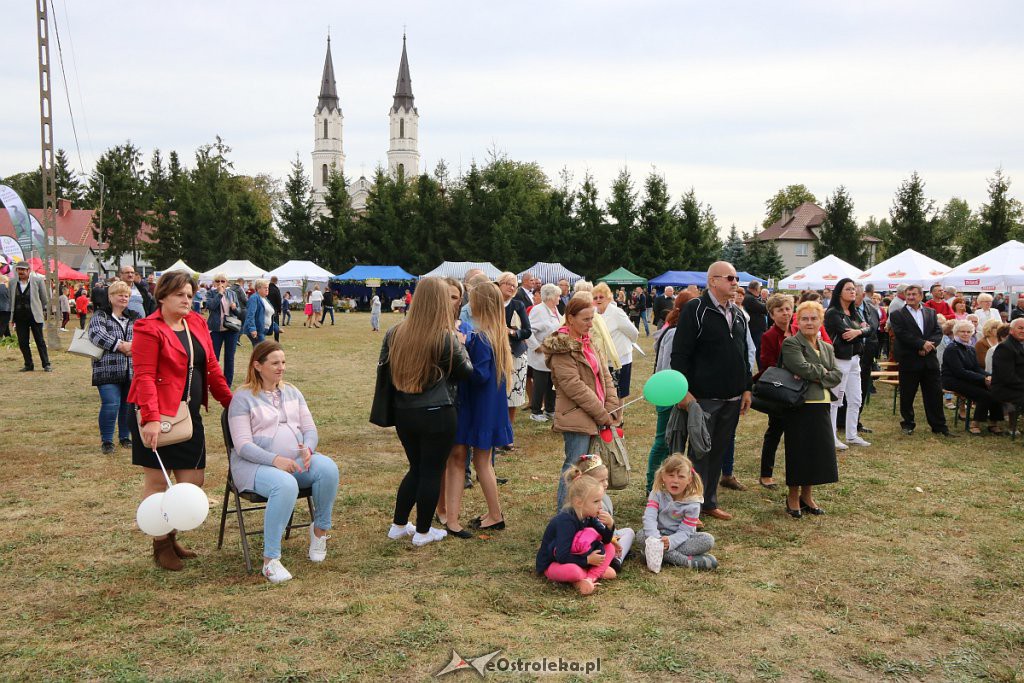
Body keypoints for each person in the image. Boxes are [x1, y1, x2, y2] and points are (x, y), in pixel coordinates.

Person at [127, 270, 233, 570]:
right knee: (158, 482)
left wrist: (231, 403)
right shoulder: (147, 328)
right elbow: (145, 376)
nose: (187, 300)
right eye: (180, 295)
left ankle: (171, 534)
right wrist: (149, 419)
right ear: (162, 296)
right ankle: (161, 545)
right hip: (156, 417)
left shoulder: (196, 323)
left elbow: (211, 367)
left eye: (190, 294)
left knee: (192, 481)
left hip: (189, 416)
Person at [227, 341, 340, 583]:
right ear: (257, 366)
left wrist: (308, 448)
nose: (281, 368)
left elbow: (310, 428)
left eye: (284, 362)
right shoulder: (242, 397)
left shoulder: (293, 392)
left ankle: (319, 531)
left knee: (328, 469)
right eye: (275, 363)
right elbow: (243, 445)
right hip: (255, 466)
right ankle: (270, 560)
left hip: (296, 461)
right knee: (285, 485)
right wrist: (275, 460)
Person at [380, 277, 473, 547]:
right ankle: (422, 531)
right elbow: (466, 372)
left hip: (404, 412)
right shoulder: (444, 336)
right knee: (431, 471)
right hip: (436, 411)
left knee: (417, 468)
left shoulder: (395, 332)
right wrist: (461, 345)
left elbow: (385, 368)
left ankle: (399, 524)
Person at [670, 261, 752, 521]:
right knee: (699, 453)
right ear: (713, 281)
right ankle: (689, 507)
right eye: (730, 278)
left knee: (718, 451)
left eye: (736, 277)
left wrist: (746, 389)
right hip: (703, 397)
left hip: (732, 397)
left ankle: (708, 502)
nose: (735, 282)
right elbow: (680, 354)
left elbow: (743, 354)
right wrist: (683, 391)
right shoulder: (696, 309)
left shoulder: (737, 313)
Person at [445, 282, 513, 537]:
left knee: (482, 462)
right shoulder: (494, 333)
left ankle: (495, 515)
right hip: (488, 405)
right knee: (485, 462)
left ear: (478, 303)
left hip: (480, 405)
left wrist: (461, 356)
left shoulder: (482, 337)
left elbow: (480, 375)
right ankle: (493, 512)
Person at [544, 296, 621, 511]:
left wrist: (612, 405)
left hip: (595, 413)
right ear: (570, 318)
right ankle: (565, 516)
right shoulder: (561, 347)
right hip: (576, 415)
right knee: (574, 468)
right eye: (586, 319)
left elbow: (605, 375)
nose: (590, 323)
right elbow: (573, 386)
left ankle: (584, 513)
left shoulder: (588, 343)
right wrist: (601, 413)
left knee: (589, 469)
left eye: (592, 318)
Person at [779, 301, 843, 518]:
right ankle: (793, 497)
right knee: (799, 453)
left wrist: (817, 373)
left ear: (820, 321)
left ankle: (808, 495)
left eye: (813, 318)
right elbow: (800, 367)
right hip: (800, 404)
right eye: (804, 318)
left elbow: (837, 375)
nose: (809, 322)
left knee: (817, 453)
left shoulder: (827, 346)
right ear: (797, 321)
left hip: (822, 404)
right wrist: (822, 371)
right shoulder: (791, 343)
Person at [646, 290, 695, 491]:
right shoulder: (675, 332)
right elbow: (668, 368)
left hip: (672, 393)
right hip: (669, 394)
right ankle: (651, 487)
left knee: (668, 442)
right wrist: (677, 394)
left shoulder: (677, 329)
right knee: (663, 442)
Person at [535, 475, 617, 595]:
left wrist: (610, 526)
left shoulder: (589, 516)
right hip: (554, 563)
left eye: (601, 500)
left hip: (579, 557)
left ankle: (589, 578)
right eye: (596, 501)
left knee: (610, 547)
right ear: (579, 502)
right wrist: (587, 560)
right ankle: (587, 575)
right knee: (574, 572)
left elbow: (605, 540)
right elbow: (561, 556)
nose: (600, 506)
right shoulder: (566, 521)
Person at [889, 284, 953, 437]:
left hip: (929, 360)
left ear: (921, 296)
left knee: (934, 393)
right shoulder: (898, 314)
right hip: (909, 359)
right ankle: (908, 423)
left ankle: (939, 425)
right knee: (907, 394)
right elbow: (902, 334)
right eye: (908, 294)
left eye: (914, 294)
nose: (911, 297)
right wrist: (920, 344)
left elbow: (938, 332)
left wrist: (929, 345)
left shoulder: (931, 312)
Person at [638, 453, 718, 572]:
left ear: (689, 480)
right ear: (663, 476)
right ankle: (687, 561)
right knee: (640, 536)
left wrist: (670, 542)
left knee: (708, 540)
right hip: (658, 535)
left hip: (681, 539)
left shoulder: (693, 503)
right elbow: (649, 517)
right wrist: (655, 539)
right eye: (671, 475)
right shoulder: (656, 493)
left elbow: (686, 531)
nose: (675, 480)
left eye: (681, 477)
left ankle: (653, 554)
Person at [88, 280, 140, 454]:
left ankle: (125, 437)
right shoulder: (100, 315)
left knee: (128, 405)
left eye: (126, 295)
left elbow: (144, 336)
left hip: (131, 369)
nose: (124, 298)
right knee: (111, 404)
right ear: (110, 297)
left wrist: (134, 347)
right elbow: (96, 335)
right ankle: (107, 440)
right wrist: (120, 345)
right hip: (106, 369)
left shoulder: (134, 316)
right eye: (120, 295)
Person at [562, 454, 635, 573]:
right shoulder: (587, 502)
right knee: (614, 543)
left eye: (606, 479)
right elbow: (593, 531)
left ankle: (615, 558)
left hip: (606, 536)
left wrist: (611, 527)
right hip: (591, 543)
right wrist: (612, 539)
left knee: (629, 532)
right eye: (601, 481)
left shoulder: (602, 497)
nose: (606, 483)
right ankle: (614, 560)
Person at [823, 278, 871, 449]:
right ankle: (831, 436)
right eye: (848, 289)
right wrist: (861, 330)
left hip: (855, 359)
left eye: (853, 289)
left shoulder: (855, 312)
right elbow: (845, 335)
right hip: (839, 359)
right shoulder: (833, 313)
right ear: (839, 292)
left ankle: (852, 434)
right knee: (836, 399)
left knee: (856, 398)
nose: (853, 292)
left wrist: (859, 331)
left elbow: (869, 328)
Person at [756, 293, 794, 490]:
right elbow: (767, 363)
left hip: (798, 390)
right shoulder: (769, 336)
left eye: (788, 308)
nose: (785, 313)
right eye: (780, 310)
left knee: (796, 434)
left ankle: (795, 473)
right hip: (779, 389)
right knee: (775, 431)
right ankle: (766, 474)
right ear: (772, 314)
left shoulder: (797, 331)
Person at [942, 320, 1003, 435]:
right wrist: (982, 379)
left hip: (968, 377)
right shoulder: (952, 348)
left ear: (972, 333)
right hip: (952, 380)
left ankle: (993, 422)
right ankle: (975, 424)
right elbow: (959, 371)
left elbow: (976, 368)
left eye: (968, 331)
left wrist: (989, 376)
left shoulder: (970, 348)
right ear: (956, 332)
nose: (965, 334)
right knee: (984, 394)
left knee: (996, 390)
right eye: (962, 331)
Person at [497, 272, 532, 439]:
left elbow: (527, 331)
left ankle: (508, 436)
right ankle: (496, 433)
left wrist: (511, 332)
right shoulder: (491, 303)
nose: (511, 287)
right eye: (508, 283)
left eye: (514, 285)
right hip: (495, 354)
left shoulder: (518, 305)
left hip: (516, 355)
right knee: (496, 396)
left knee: (512, 398)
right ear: (499, 284)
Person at [593, 282, 639, 398]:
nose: (598, 300)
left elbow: (633, 333)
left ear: (608, 298)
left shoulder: (616, 312)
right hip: (603, 360)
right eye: (595, 297)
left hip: (620, 358)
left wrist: (627, 344)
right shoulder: (594, 314)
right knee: (606, 392)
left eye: (601, 297)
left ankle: (619, 417)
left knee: (618, 393)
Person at [526, 284, 563, 422]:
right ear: (551, 296)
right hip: (540, 355)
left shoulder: (554, 309)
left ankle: (550, 409)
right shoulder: (538, 310)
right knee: (540, 383)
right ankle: (535, 411)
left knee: (552, 383)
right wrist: (536, 347)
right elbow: (529, 331)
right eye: (558, 295)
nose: (560, 298)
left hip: (553, 354)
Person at [9, 261, 51, 372]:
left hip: (34, 316)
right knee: (23, 342)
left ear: (29, 270)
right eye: (19, 269)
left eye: (23, 269)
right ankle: (28, 364)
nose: (21, 272)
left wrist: (38, 310)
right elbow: (11, 300)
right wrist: (11, 318)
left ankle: (46, 364)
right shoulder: (12, 282)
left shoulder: (38, 281)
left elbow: (44, 299)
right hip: (19, 317)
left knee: (39, 341)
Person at [205, 273, 240, 385]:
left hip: (231, 329)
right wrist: (219, 294)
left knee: (229, 358)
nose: (220, 283)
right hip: (216, 330)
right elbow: (210, 306)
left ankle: (227, 383)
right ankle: (213, 382)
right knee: (214, 358)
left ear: (227, 282)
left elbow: (239, 312)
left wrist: (235, 308)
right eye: (217, 281)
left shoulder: (233, 294)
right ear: (214, 283)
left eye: (223, 281)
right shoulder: (211, 293)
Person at [990, 318, 1024, 412]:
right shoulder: (1005, 347)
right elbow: (1007, 377)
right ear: (1011, 330)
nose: (1023, 331)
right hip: (1006, 389)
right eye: (1020, 328)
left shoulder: (1020, 344)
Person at [856, 284, 880, 408]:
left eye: (855, 294)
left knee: (862, 388)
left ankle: (856, 420)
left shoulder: (872, 310)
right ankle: (842, 421)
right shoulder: (843, 311)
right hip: (851, 355)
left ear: (863, 295)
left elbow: (874, 331)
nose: (852, 297)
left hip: (866, 356)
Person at [242, 279, 276, 346]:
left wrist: (276, 327)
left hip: (263, 330)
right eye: (265, 288)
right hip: (257, 330)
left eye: (267, 287)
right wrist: (252, 329)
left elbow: (268, 315)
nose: (267, 289)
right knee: (262, 351)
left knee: (259, 352)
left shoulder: (264, 299)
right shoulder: (254, 298)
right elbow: (250, 314)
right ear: (258, 288)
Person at [743, 281, 769, 362]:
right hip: (755, 330)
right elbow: (764, 309)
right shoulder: (750, 298)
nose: (759, 291)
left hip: (754, 329)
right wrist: (770, 303)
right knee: (757, 351)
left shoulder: (749, 297)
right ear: (756, 289)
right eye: (759, 289)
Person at [268, 276, 283, 342]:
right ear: (276, 281)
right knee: (276, 323)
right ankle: (276, 340)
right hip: (274, 309)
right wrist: (279, 310)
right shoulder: (276, 289)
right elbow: (279, 300)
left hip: (266, 308)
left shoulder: (266, 288)